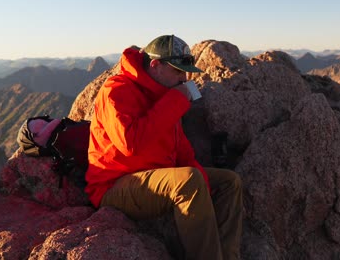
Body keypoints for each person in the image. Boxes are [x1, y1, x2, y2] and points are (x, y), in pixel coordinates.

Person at [84, 35, 243, 260]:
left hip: (156, 174)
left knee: (229, 182)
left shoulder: (162, 91)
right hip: (114, 184)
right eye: (177, 71)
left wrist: (200, 176)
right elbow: (131, 144)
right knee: (189, 181)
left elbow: (179, 146)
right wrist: (175, 102)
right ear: (155, 65)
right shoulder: (117, 91)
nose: (183, 78)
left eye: (185, 72)